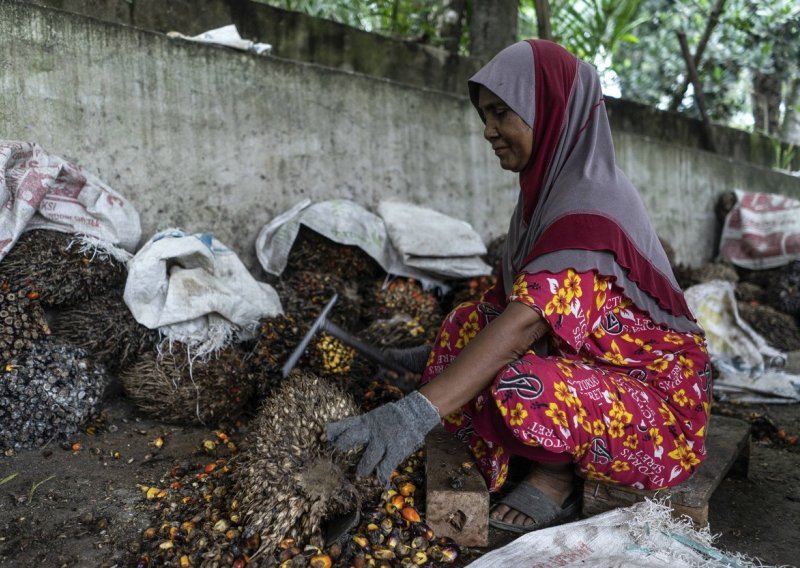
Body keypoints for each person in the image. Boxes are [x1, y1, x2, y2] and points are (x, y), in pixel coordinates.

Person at [327, 39, 711, 533]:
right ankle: (479, 410)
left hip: (655, 415)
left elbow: (525, 324)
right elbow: (509, 302)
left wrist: (410, 414)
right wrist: (439, 352)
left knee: (522, 386)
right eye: (484, 115)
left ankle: (554, 478)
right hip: (594, 370)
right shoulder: (547, 193)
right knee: (468, 319)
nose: (488, 131)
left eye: (501, 113)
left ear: (548, 110)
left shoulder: (590, 210)